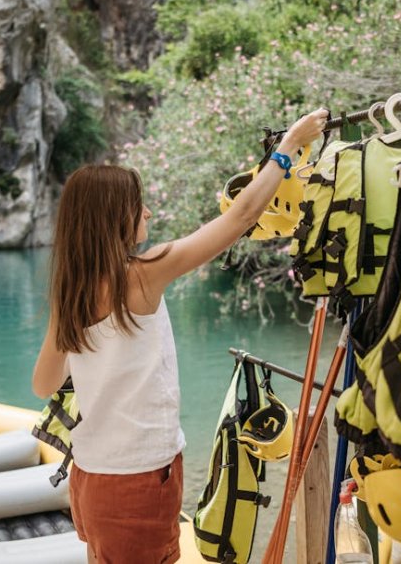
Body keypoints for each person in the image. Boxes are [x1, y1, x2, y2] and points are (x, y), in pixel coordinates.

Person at [32, 108, 328, 564]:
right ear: (113, 218)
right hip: (138, 480)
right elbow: (241, 217)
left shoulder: (69, 293)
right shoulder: (143, 275)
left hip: (90, 476)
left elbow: (43, 385)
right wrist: (287, 148)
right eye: (138, 204)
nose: (147, 211)